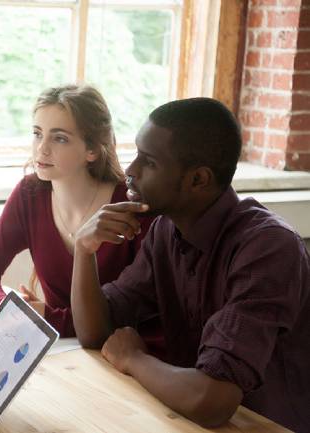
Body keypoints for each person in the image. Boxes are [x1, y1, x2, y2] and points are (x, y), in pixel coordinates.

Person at [71, 97, 310, 431]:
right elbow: (95, 332)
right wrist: (84, 250)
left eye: (149, 162)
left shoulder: (267, 248)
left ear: (198, 180)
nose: (130, 170)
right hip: (186, 420)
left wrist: (133, 358)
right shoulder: (165, 230)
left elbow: (211, 401)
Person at [0, 84, 157, 343]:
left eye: (59, 138)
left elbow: (134, 315)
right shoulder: (29, 195)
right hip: (57, 350)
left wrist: (45, 318)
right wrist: (9, 311)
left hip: (118, 354)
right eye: (37, 134)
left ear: (92, 150)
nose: (41, 149)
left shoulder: (132, 206)